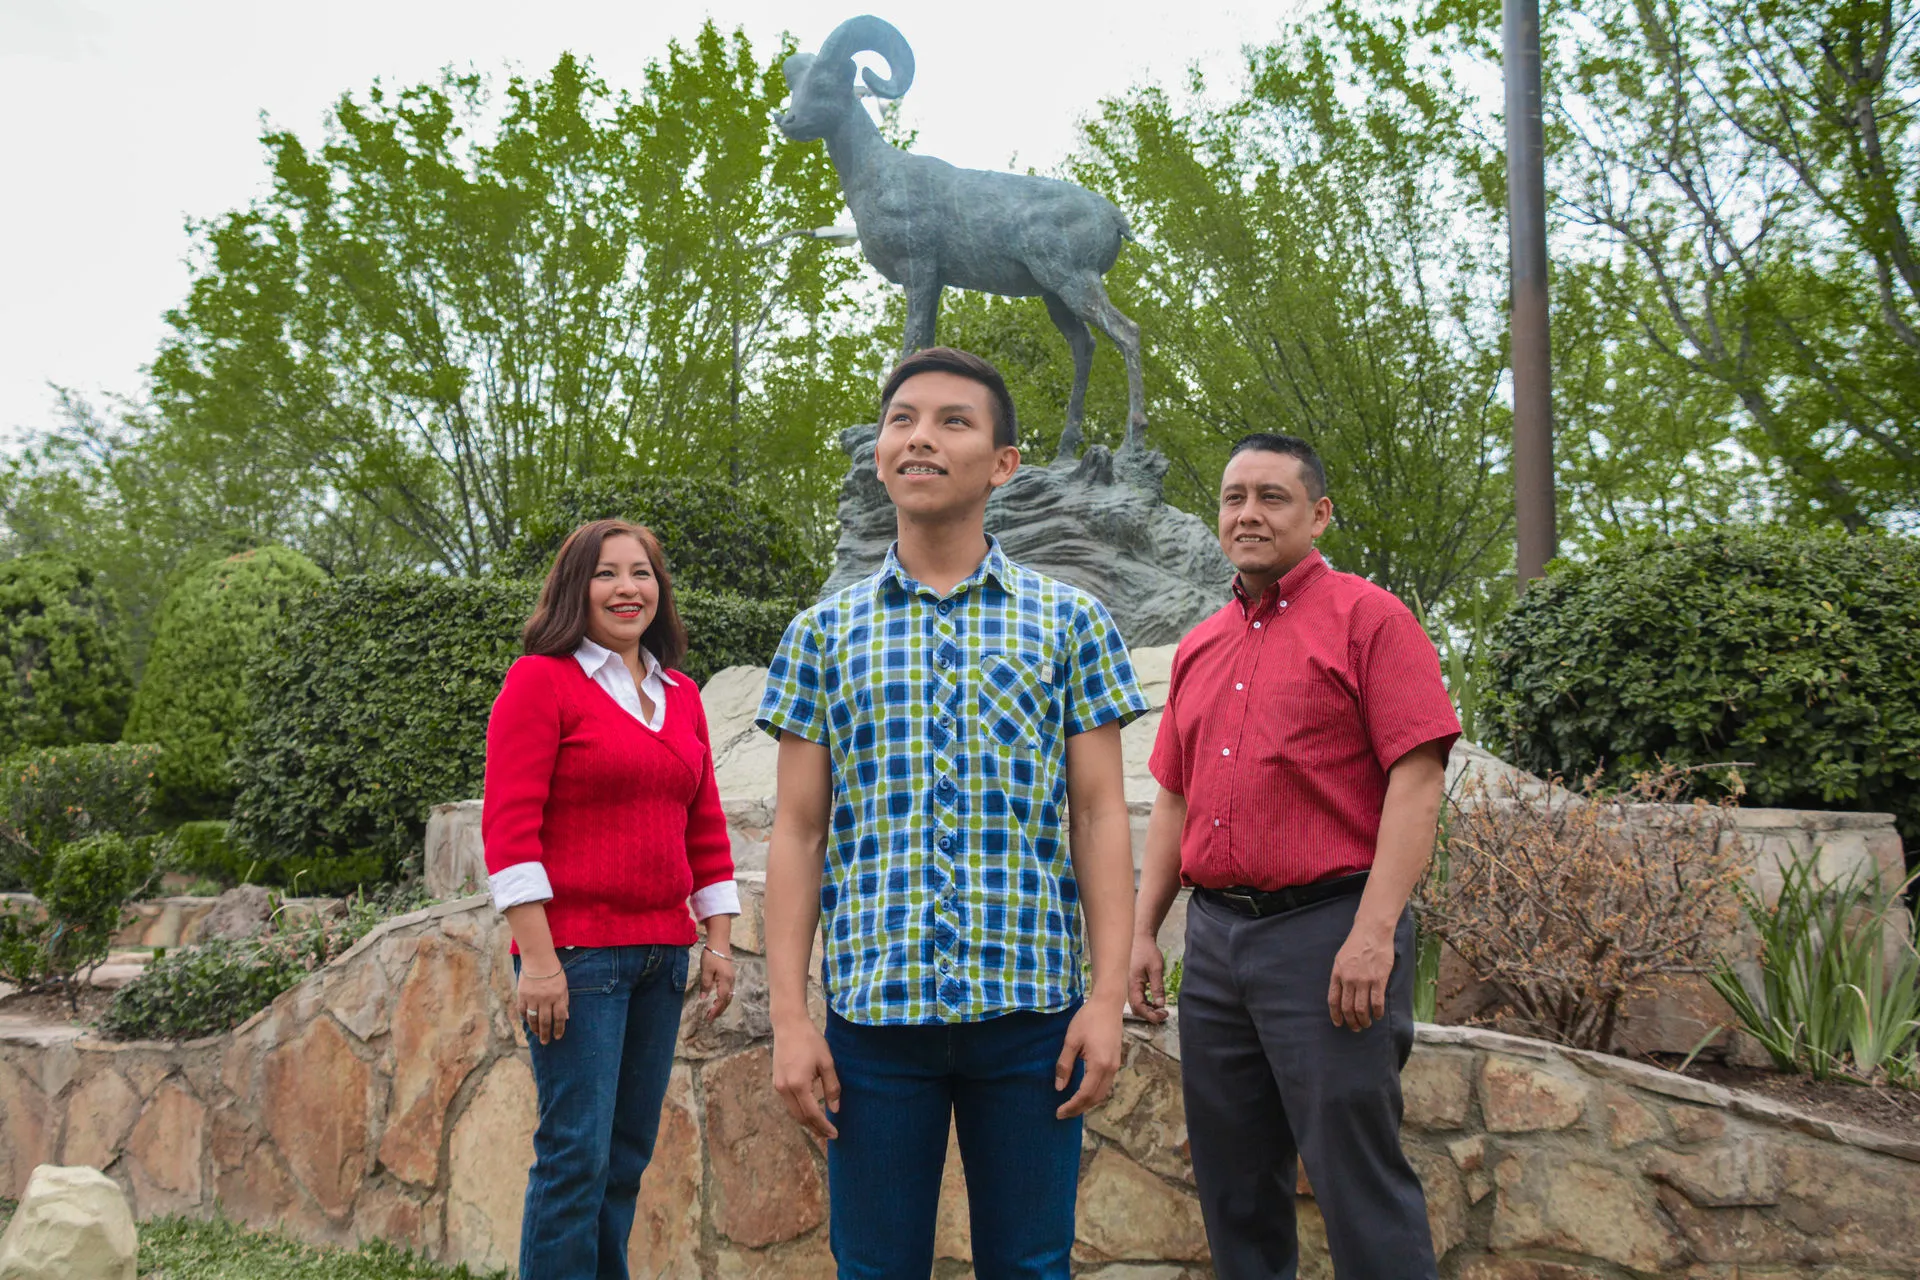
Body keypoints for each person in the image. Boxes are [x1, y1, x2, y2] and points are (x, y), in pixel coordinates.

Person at [756, 347, 1148, 1280]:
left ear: (1004, 464)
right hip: (874, 1023)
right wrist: (789, 1019)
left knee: (1031, 1266)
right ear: (882, 451)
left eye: (952, 421)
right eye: (902, 420)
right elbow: (799, 832)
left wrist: (1104, 1000)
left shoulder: (1070, 622)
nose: (920, 437)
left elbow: (1099, 817)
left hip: (1032, 1021)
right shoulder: (822, 635)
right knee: (877, 1268)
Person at [1129, 434, 1459, 1280]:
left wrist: (1374, 931)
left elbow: (1417, 782)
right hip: (1215, 946)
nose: (1248, 514)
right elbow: (1174, 796)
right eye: (1234, 497)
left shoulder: (1371, 620)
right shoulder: (1202, 645)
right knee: (1234, 1188)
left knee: (1358, 1184)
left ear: (1317, 514)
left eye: (1271, 497)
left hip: (1329, 938)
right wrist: (1143, 934)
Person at [482, 518, 740, 1280]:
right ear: (575, 588)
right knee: (574, 1160)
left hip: (663, 956)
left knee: (624, 1160)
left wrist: (718, 942)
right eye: (607, 574)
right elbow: (509, 830)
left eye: (642, 573)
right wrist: (539, 959)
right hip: (578, 960)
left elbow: (707, 826)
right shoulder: (541, 679)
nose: (628, 589)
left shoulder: (681, 695)